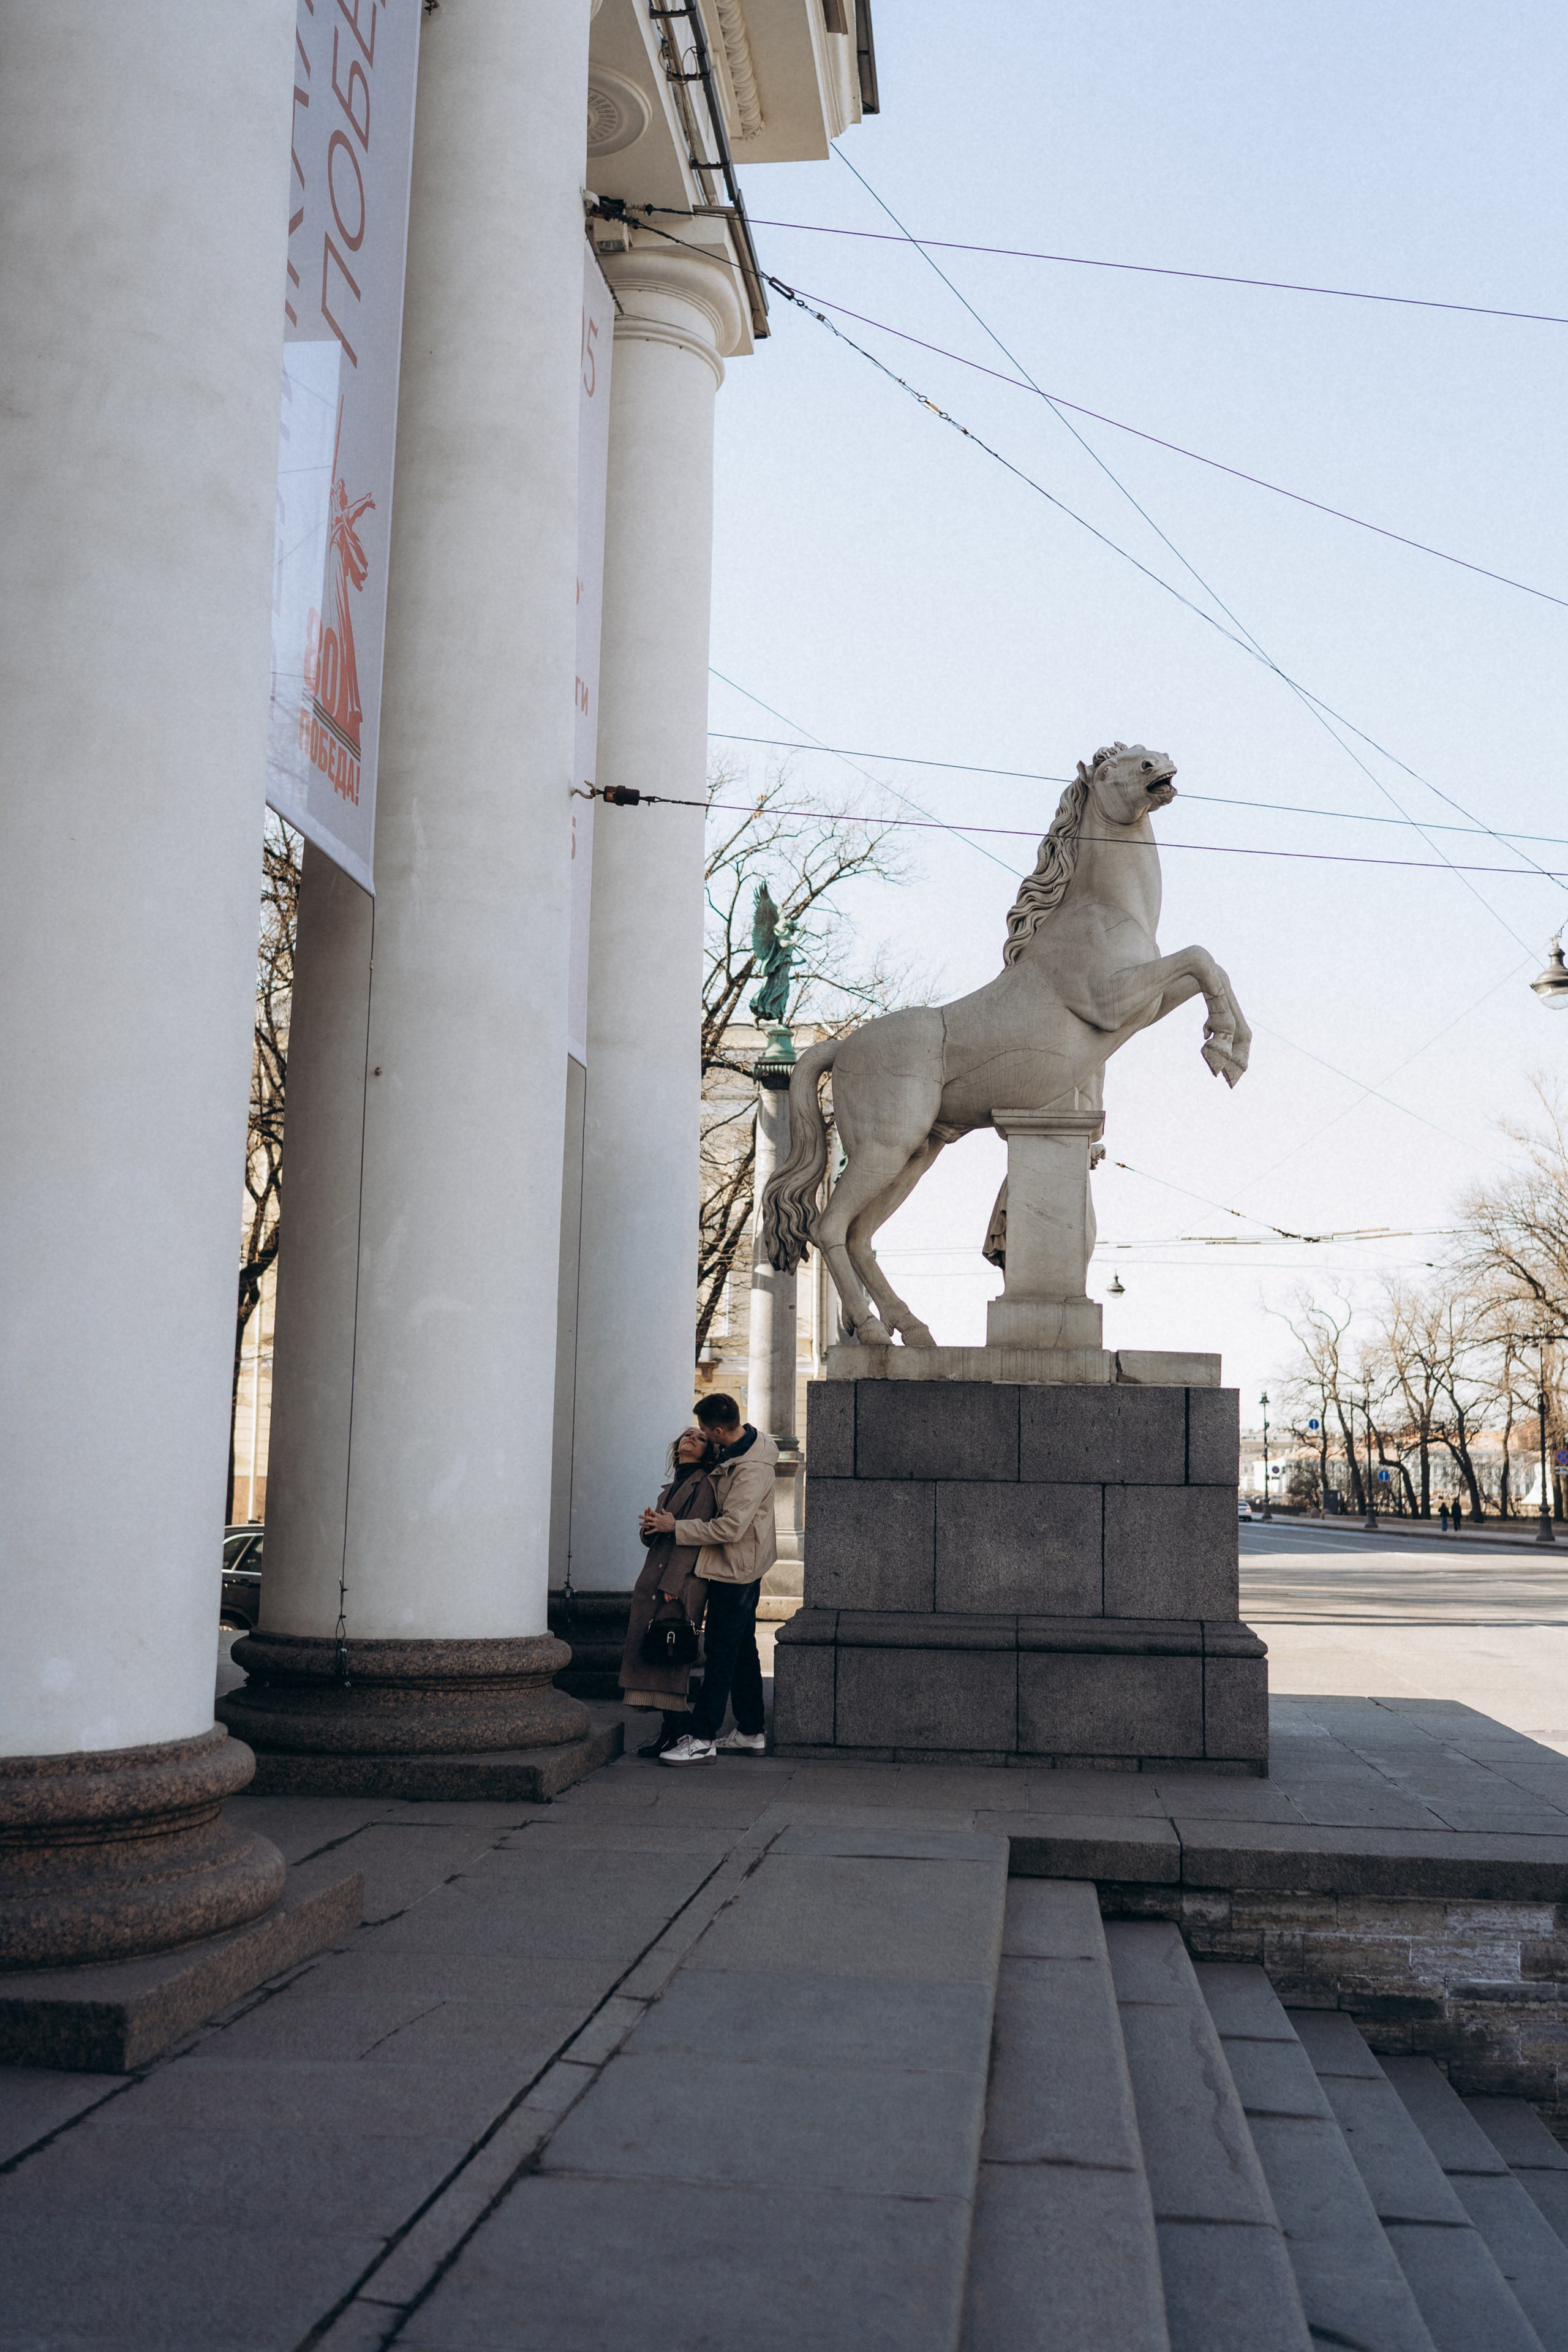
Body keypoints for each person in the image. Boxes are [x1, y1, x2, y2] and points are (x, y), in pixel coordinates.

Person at [641, 1392, 777, 1765]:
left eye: (703, 1431)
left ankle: (702, 1737)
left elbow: (732, 1527)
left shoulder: (751, 1469)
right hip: (734, 1564)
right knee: (743, 1650)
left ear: (719, 1430)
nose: (698, 1435)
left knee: (719, 1652)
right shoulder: (733, 1450)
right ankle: (751, 1731)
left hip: (737, 1568)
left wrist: (676, 1526)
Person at [620, 1429, 716, 1759]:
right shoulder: (671, 1487)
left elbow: (694, 1541)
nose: (692, 1438)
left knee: (671, 1653)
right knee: (659, 1654)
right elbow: (659, 1538)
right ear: (677, 1450)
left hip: (675, 1584)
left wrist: (672, 1587)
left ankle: (680, 1730)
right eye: (688, 1435)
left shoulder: (703, 1484)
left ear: (707, 1452)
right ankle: (670, 1732)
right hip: (654, 1580)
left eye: (701, 1438)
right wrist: (649, 1529)